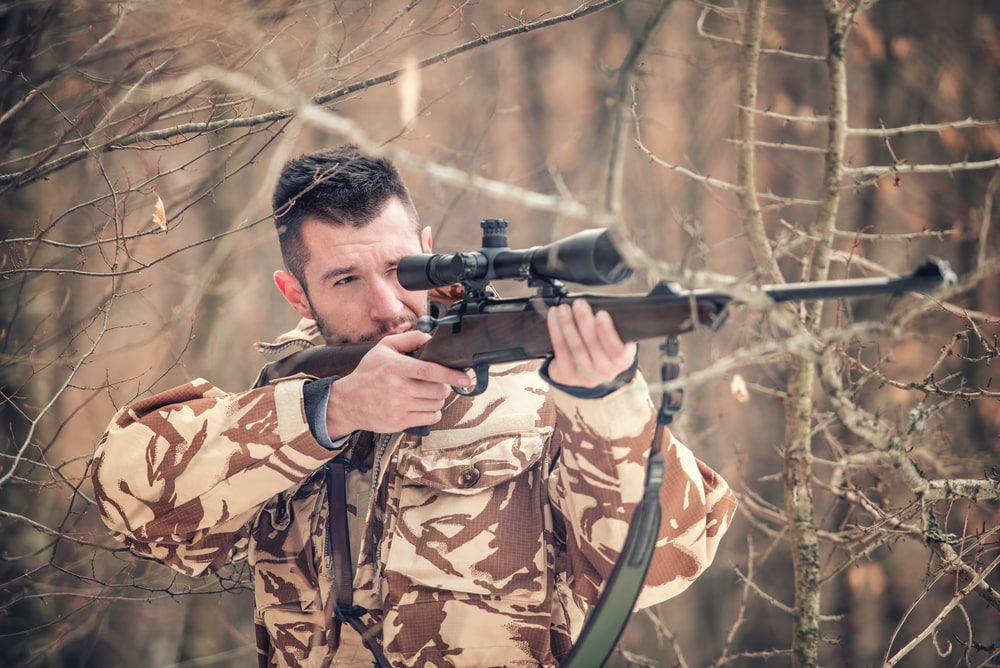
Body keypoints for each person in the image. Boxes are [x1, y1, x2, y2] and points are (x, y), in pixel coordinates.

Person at [92, 145, 737, 667]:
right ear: (295, 293)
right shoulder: (288, 398)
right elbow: (129, 500)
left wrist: (607, 399)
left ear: (428, 245)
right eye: (346, 280)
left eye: (402, 269)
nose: (388, 305)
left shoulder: (541, 398)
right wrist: (333, 412)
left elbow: (662, 570)